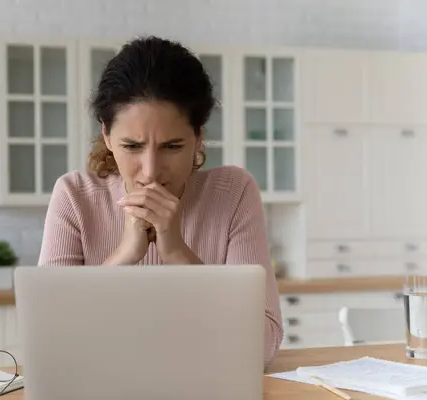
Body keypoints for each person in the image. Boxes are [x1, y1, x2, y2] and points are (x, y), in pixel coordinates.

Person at [38, 36, 283, 368]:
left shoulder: (234, 193)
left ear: (199, 137)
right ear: (107, 136)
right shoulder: (74, 197)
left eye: (172, 146)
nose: (151, 172)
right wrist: (126, 254)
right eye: (132, 146)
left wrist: (175, 252)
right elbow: (49, 345)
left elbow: (263, 348)